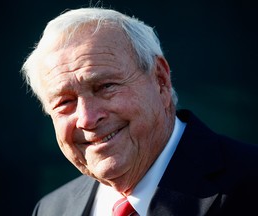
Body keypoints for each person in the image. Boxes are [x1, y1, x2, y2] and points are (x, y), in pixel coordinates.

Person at [21, 7, 258, 216]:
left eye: (105, 87)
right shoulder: (52, 209)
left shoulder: (250, 183)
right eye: (65, 102)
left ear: (160, 80)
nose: (87, 118)